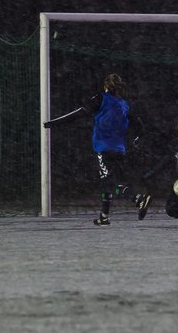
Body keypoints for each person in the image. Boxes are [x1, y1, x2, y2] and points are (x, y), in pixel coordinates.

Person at [43, 73, 146, 225]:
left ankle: (138, 199)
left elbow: (79, 113)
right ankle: (104, 217)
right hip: (119, 149)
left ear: (105, 87)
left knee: (111, 182)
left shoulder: (101, 99)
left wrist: (53, 123)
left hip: (104, 148)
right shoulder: (124, 104)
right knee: (106, 180)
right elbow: (139, 124)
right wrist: (139, 138)